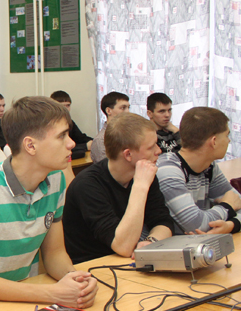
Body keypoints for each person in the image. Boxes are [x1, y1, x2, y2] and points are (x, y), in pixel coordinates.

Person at [0, 96, 98, 308]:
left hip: (27, 295)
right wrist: (52, 294)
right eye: (61, 136)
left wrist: (75, 281)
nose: (71, 143)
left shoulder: (55, 179)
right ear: (30, 145)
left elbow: (54, 254)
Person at [63, 113, 174, 263]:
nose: (158, 151)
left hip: (126, 262)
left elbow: (163, 222)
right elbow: (123, 246)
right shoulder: (87, 186)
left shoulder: (144, 174)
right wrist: (140, 187)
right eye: (151, 147)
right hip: (93, 266)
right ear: (128, 154)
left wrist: (151, 241)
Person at [157, 107, 241, 235]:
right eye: (226, 135)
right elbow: (196, 225)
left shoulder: (209, 166)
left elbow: (237, 201)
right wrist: (227, 206)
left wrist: (231, 225)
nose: (228, 140)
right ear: (214, 141)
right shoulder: (168, 170)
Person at [90, 91, 130, 163]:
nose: (127, 112)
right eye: (123, 108)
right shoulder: (101, 140)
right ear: (108, 111)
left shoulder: (129, 134)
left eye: (128, 107)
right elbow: (106, 167)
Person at [51, 90, 92, 154]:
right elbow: (60, 148)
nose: (66, 109)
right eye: (62, 106)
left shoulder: (69, 121)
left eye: (68, 105)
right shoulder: (49, 125)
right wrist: (85, 146)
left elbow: (80, 138)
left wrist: (95, 142)